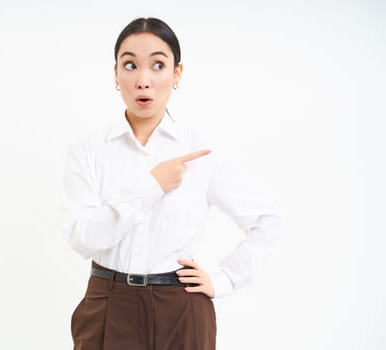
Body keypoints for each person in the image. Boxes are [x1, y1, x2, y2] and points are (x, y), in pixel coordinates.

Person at [62, 17, 282, 350]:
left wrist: (224, 279)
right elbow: (82, 238)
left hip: (180, 307)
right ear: (115, 73)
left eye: (158, 65)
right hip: (108, 302)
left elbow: (267, 221)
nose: (143, 81)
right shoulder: (89, 150)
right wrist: (151, 186)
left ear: (177, 74)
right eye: (131, 65)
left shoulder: (201, 151)